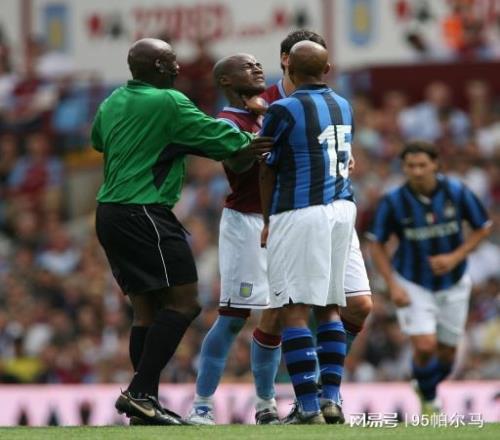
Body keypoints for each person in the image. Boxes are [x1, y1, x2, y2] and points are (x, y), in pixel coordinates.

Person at [91, 38, 273, 425]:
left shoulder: (112, 100)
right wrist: (257, 137)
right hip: (143, 211)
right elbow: (222, 138)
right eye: (172, 61)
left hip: (109, 212)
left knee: (146, 311)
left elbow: (97, 140)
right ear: (159, 67)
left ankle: (145, 407)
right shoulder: (169, 102)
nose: (178, 68)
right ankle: (139, 392)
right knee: (185, 303)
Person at [258, 29, 373, 423]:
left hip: (300, 211)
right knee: (329, 308)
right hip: (342, 208)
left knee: (293, 309)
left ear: (288, 67)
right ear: (327, 69)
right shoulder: (344, 105)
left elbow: (265, 167)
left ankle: (307, 407)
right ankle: (331, 399)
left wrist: (268, 220)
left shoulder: (283, 109)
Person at [187, 53, 282, 426]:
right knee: (233, 316)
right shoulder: (226, 122)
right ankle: (202, 404)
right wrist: (249, 147)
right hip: (246, 223)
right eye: (246, 66)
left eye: (258, 64)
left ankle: (266, 405)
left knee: (277, 314)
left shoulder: (269, 111)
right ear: (225, 81)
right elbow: (237, 163)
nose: (256, 68)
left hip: (282, 222)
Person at [367, 141, 491, 414]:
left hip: (454, 282)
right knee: (425, 346)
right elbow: (375, 243)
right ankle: (429, 399)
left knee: (447, 353)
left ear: (435, 164)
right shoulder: (394, 201)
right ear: (404, 168)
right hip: (413, 282)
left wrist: (455, 257)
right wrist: (392, 285)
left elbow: (483, 227)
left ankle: (424, 385)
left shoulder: (457, 192)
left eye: (422, 165)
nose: (417, 171)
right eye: (411, 166)